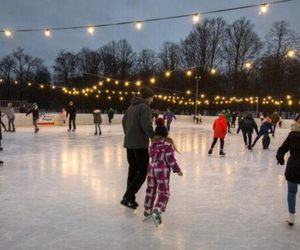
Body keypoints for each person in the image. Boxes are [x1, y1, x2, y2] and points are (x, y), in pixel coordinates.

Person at [121, 87, 155, 209]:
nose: (152, 100)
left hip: (129, 143)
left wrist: (129, 134)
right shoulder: (144, 107)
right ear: (147, 97)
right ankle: (128, 196)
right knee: (142, 171)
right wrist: (154, 137)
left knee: (133, 170)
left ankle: (129, 198)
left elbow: (124, 122)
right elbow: (146, 125)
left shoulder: (131, 107)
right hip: (140, 144)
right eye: (152, 97)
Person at [144, 118, 183, 226]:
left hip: (151, 167)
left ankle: (147, 210)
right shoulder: (167, 144)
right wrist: (177, 170)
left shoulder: (153, 144)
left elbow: (151, 156)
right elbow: (170, 159)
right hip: (162, 169)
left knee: (151, 189)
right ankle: (157, 209)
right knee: (164, 192)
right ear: (166, 133)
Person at [276, 118, 300, 227]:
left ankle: (291, 218)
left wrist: (280, 159)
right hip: (294, 168)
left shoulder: (293, 135)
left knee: (292, 192)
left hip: (294, 168)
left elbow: (282, 149)